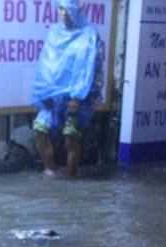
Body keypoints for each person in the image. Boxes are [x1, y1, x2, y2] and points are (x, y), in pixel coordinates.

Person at [30, 0, 102, 177]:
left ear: (78, 8)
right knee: (40, 129)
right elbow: (46, 63)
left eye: (67, 9)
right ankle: (50, 172)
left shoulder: (89, 34)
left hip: (77, 97)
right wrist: (43, 92)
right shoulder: (54, 32)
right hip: (52, 96)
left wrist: (78, 97)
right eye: (60, 8)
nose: (63, 13)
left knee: (71, 136)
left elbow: (88, 67)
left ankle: (71, 179)